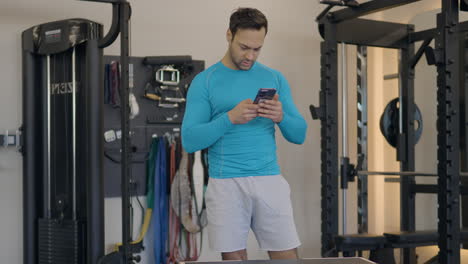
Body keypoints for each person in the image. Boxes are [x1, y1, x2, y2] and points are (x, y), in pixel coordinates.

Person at [181, 7, 307, 261]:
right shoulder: (205, 81)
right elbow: (190, 139)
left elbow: (299, 134)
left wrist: (281, 117)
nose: (250, 55)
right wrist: (229, 119)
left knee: (287, 257)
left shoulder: (274, 78)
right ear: (229, 35)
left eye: (257, 49)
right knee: (235, 258)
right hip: (226, 183)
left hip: (269, 179)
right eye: (243, 47)